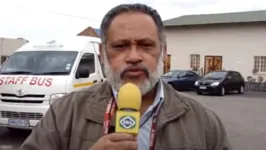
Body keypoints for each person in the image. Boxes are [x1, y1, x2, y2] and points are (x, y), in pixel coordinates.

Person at [19, 3, 232, 150]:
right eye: (120, 46)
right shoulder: (64, 113)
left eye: (145, 45)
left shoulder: (204, 122)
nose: (133, 57)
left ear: (163, 51)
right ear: (103, 53)